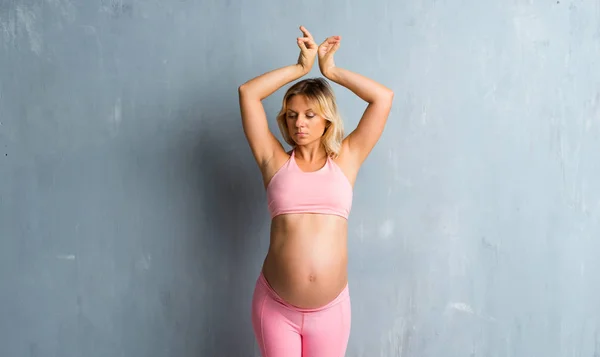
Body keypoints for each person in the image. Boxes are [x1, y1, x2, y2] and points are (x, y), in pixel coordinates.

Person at [238, 25, 394, 357]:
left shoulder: (347, 159)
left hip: (331, 312)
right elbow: (247, 93)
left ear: (327, 120)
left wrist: (331, 71)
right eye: (292, 115)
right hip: (276, 308)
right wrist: (299, 68)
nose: (299, 123)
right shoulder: (273, 160)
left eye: (310, 115)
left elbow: (383, 98)